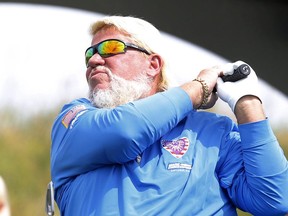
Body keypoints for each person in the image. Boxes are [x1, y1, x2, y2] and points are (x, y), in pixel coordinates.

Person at [50, 15, 288, 215]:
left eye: (111, 48)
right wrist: (198, 88)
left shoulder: (213, 131)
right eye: (89, 53)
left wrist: (247, 102)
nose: (93, 60)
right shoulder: (73, 120)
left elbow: (275, 199)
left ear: (153, 64)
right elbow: (124, 131)